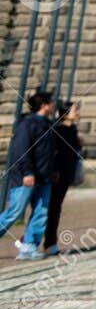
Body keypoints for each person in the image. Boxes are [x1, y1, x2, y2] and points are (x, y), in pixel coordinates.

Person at [1, 90, 56, 260]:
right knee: (15, 212)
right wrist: (27, 172)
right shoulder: (27, 124)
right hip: (26, 177)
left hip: (44, 177)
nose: (54, 106)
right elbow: (21, 150)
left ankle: (29, 246)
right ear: (44, 105)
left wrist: (52, 171)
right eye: (51, 102)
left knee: (41, 212)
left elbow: (48, 152)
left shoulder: (47, 124)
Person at [41, 100, 82, 255]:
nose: (77, 113)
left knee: (55, 208)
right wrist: (54, 171)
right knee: (51, 208)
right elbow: (52, 153)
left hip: (66, 174)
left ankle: (48, 242)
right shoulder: (57, 130)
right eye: (74, 110)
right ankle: (47, 243)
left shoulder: (72, 129)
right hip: (57, 175)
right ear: (65, 114)